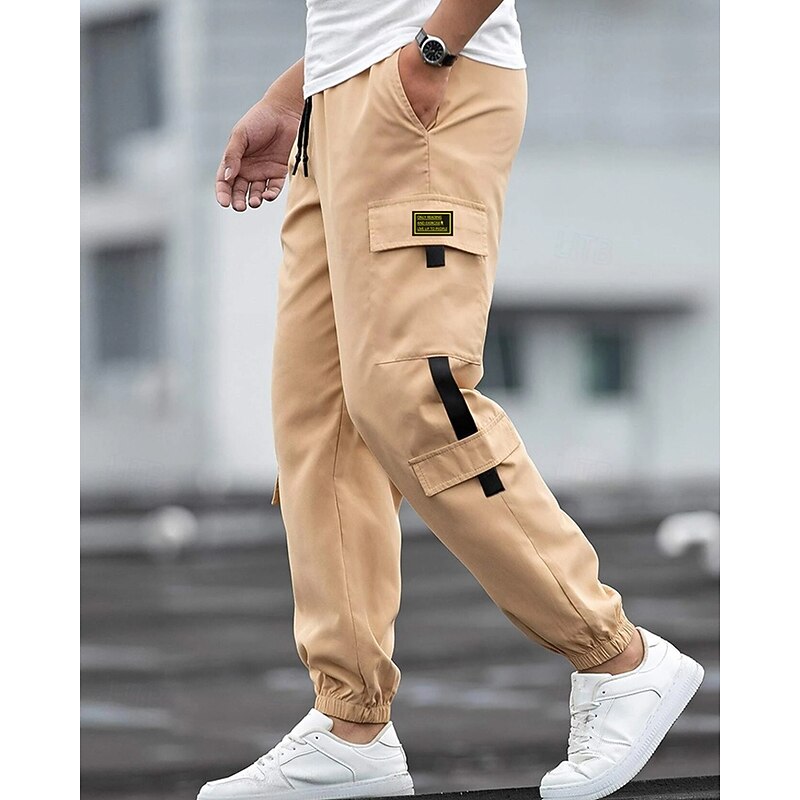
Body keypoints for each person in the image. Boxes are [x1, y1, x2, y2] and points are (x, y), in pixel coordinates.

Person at [199, 2, 704, 799]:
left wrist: (435, 49)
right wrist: (296, 93)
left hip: (422, 89)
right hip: (337, 103)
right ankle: (351, 725)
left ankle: (619, 658)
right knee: (318, 420)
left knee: (414, 394)